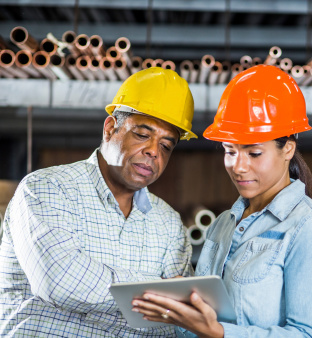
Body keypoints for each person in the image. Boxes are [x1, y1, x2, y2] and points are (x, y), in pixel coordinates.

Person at [132, 65, 312, 337]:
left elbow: (308, 334)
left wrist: (220, 334)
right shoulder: (223, 224)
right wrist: (184, 301)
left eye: (254, 153)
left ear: (288, 149)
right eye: (230, 151)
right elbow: (211, 317)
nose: (238, 167)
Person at [0, 67, 197, 337]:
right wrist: (159, 289)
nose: (154, 151)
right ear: (110, 128)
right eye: (142, 134)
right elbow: (61, 283)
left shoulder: (168, 223)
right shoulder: (47, 189)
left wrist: (153, 295)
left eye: (166, 145)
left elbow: (178, 316)